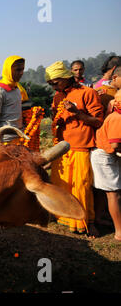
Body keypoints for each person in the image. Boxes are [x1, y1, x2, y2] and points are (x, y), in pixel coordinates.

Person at [46, 61, 104, 238]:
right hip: (61, 146)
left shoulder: (88, 93)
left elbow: (98, 121)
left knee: (82, 186)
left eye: (55, 83)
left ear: (66, 78)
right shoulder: (58, 97)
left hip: (81, 146)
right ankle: (60, 215)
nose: (53, 87)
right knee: (60, 182)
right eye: (51, 84)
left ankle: (87, 222)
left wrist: (77, 113)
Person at [90, 90, 121, 241]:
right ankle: (119, 231)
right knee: (113, 194)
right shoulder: (116, 118)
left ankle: (99, 217)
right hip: (105, 156)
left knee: (104, 191)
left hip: (106, 155)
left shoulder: (114, 116)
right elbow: (115, 145)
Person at [0, 55, 27, 145]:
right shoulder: (0, 92)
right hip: (5, 140)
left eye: (22, 69)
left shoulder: (17, 89)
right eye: (18, 70)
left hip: (19, 138)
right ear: (8, 70)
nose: (21, 73)